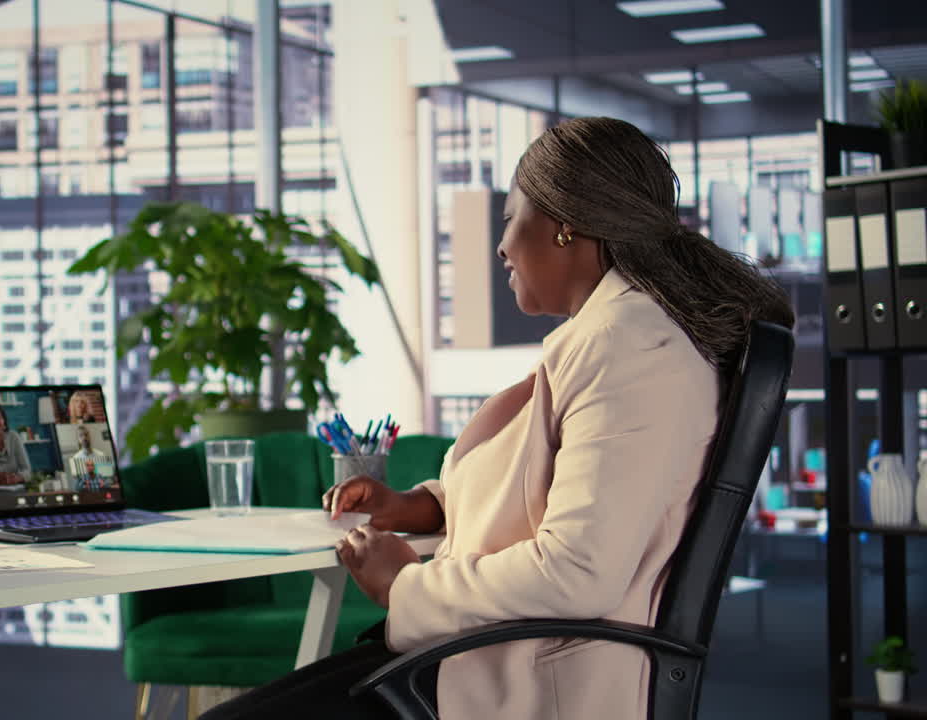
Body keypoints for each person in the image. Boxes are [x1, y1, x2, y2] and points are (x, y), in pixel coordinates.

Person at [199, 116, 795, 720]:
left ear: (566, 227)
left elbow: (578, 570)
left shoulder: (628, 344)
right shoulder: (616, 334)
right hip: (484, 655)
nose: (503, 244)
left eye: (512, 218)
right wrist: (420, 505)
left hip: (522, 678)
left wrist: (405, 587)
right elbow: (550, 492)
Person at [69, 424, 111, 491]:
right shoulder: (75, 459)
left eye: (86, 434)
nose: (84, 438)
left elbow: (109, 479)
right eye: (81, 435)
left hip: (102, 493)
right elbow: (76, 487)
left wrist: (105, 484)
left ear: (90, 436)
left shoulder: (101, 455)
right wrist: (81, 483)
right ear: (78, 439)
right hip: (86, 496)